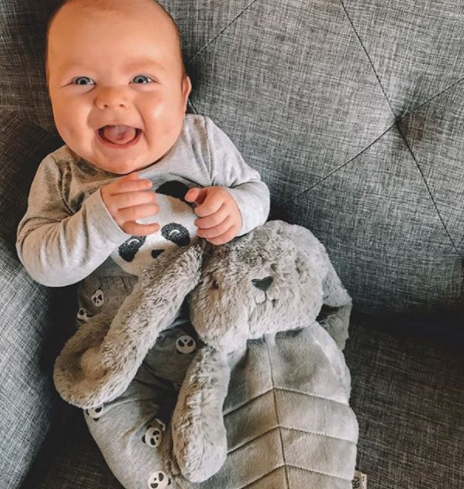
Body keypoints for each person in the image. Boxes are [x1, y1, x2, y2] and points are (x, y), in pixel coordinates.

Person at [16, 0, 270, 487]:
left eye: (141, 79)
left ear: (182, 92)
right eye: (82, 81)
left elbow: (255, 192)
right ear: (50, 94)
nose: (112, 99)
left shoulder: (201, 142)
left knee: (261, 397)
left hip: (213, 326)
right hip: (118, 345)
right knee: (104, 408)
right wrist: (98, 222)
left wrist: (236, 209)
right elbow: (39, 260)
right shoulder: (62, 173)